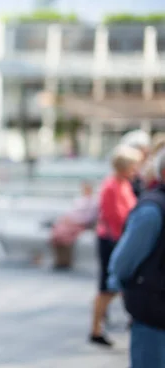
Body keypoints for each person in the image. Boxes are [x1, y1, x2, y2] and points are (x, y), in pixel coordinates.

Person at [108, 149, 165, 367]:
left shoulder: (152, 209)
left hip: (154, 314)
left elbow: (124, 261)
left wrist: (119, 282)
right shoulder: (152, 208)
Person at [89, 144, 143, 347]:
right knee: (107, 286)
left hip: (118, 238)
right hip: (111, 240)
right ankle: (95, 329)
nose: (136, 170)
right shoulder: (111, 186)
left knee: (114, 286)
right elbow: (115, 216)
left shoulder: (123, 184)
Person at [50, 181, 98, 269]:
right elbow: (71, 212)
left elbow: (89, 217)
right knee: (57, 232)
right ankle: (60, 259)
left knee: (64, 233)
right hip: (71, 222)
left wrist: (75, 220)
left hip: (80, 223)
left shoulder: (93, 202)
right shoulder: (79, 199)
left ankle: (66, 260)